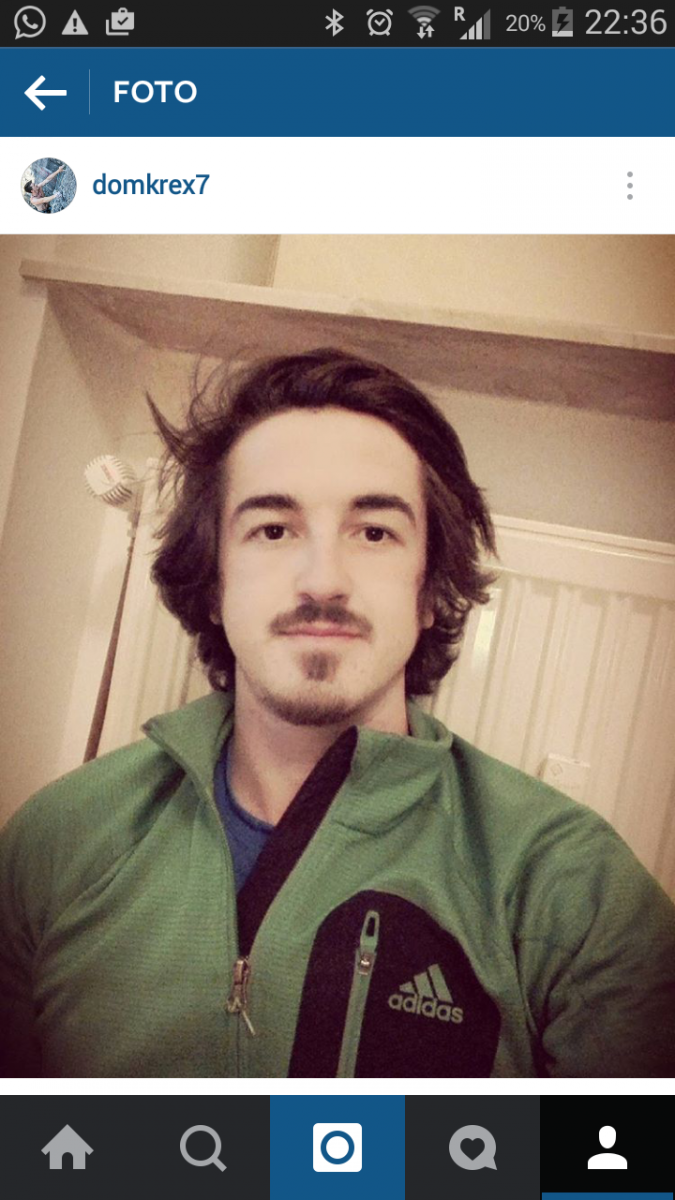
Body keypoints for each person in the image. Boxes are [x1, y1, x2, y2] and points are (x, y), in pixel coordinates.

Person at [1, 348, 674, 1078]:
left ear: (429, 589)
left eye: (374, 532)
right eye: (273, 529)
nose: (323, 579)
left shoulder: (575, 886)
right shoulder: (56, 837)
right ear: (215, 581)